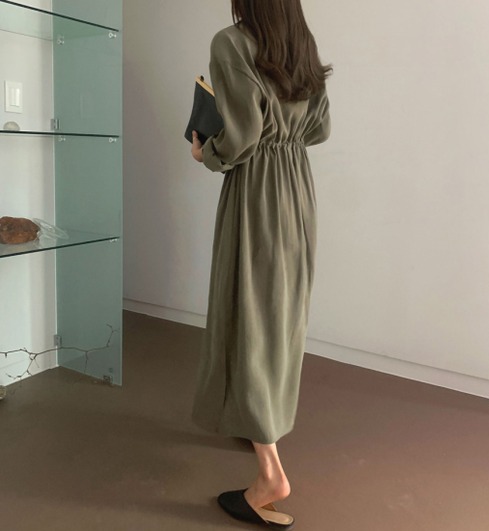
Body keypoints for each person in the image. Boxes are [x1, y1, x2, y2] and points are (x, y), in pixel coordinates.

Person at [190, 0, 331, 528]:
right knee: (280, 311)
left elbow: (242, 136)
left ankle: (270, 474)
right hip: (297, 190)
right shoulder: (301, 45)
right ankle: (255, 419)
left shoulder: (231, 42)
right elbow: (319, 128)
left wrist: (208, 153)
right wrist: (283, 133)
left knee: (248, 311)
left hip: (256, 192)